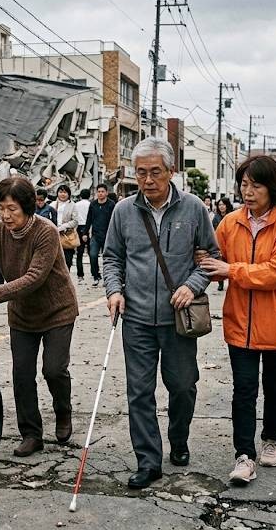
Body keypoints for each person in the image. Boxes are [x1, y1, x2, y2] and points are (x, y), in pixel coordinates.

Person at [103, 137, 219, 489]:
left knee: (182, 386)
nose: (148, 180)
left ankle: (179, 439)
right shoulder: (123, 210)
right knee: (139, 391)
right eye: (141, 173)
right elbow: (112, 258)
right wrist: (114, 290)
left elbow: (210, 258)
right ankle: (148, 460)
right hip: (136, 318)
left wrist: (192, 286)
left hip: (177, 319)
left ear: (171, 171)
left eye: (156, 172)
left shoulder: (194, 208)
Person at [198, 154, 276, 486]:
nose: (248, 191)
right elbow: (216, 259)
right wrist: (205, 265)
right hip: (240, 323)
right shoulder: (230, 222)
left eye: (255, 185)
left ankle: (271, 438)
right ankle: (244, 455)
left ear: (271, 187)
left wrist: (231, 270)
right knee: (243, 390)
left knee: (275, 387)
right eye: (244, 184)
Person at [0, 177, 79, 457]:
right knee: (22, 374)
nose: (5, 215)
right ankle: (31, 434)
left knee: (53, 369)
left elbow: (35, 277)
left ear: (27, 207)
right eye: (1, 207)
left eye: (12, 208)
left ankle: (63, 411)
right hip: (23, 316)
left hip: (57, 311)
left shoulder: (45, 232)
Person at [53, 185, 79, 273]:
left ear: (68, 194)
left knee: (67, 260)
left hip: (67, 236)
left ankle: (65, 277)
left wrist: (63, 227)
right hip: (54, 236)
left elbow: (75, 221)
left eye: (65, 192)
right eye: (60, 192)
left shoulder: (72, 205)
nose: (62, 194)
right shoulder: (53, 204)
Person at [213, 198, 235, 291]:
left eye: (223, 204)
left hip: (231, 241)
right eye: (219, 205)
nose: (221, 207)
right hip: (220, 242)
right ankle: (220, 283)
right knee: (220, 262)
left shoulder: (232, 216)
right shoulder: (216, 217)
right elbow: (213, 229)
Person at [74, 189, 91, 283]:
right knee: (91, 252)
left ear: (80, 196)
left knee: (79, 253)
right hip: (88, 227)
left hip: (79, 227)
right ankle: (94, 273)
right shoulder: (90, 204)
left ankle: (80, 275)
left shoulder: (76, 205)